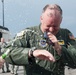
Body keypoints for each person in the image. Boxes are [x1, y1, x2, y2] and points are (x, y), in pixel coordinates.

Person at [0, 4, 76, 75]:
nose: (51, 30)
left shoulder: (65, 34)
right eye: (48, 25)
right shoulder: (28, 33)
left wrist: (60, 49)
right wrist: (31, 53)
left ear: (61, 20)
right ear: (41, 19)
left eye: (55, 26)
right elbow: (6, 51)